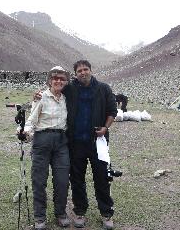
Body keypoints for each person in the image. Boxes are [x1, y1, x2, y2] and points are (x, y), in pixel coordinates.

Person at [34, 60, 117, 229]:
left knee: (101, 177)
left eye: (86, 69)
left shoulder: (104, 89)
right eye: (79, 70)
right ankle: (80, 212)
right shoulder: (70, 88)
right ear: (76, 74)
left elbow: (112, 111)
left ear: (91, 70)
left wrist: (105, 127)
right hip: (75, 143)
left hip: (98, 142)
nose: (83, 72)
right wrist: (38, 95)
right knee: (77, 179)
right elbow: (54, 87)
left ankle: (106, 213)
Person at [21, 66, 71, 230]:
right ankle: (40, 217)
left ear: (66, 82)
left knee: (62, 180)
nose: (58, 81)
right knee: (39, 180)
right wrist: (24, 132)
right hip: (42, 140)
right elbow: (31, 120)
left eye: (61, 78)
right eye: (55, 78)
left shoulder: (66, 98)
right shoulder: (41, 97)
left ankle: (61, 213)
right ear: (49, 80)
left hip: (62, 142)